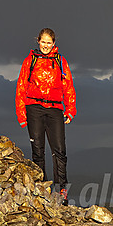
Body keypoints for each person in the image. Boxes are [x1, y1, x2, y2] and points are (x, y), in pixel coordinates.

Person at [15, 28, 76, 204]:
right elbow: (21, 86)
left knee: (59, 151)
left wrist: (70, 109)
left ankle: (62, 191)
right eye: (43, 42)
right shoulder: (30, 60)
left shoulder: (60, 61)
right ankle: (41, 189)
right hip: (33, 107)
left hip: (55, 109)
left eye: (49, 43)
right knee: (38, 151)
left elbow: (68, 86)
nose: (46, 46)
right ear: (38, 41)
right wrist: (21, 114)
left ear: (54, 44)